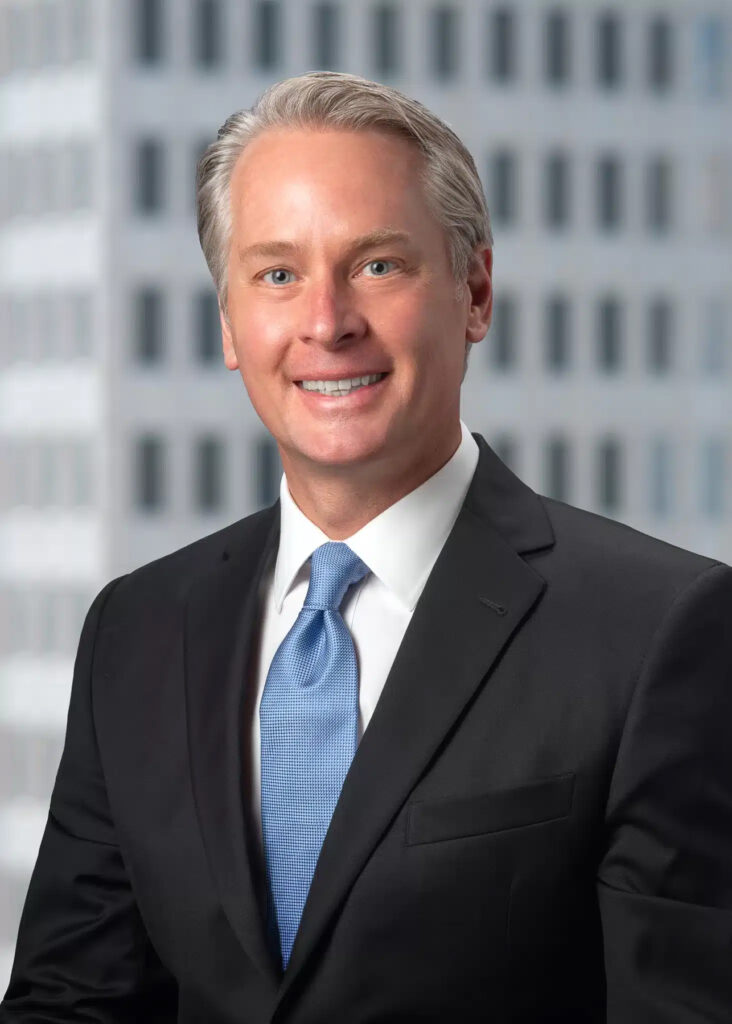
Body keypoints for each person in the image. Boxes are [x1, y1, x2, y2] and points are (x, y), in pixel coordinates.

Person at [2, 71, 731, 1024]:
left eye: (378, 265)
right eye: (277, 274)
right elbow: (72, 1002)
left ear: (475, 294)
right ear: (229, 325)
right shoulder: (137, 630)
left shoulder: (658, 631)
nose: (326, 322)